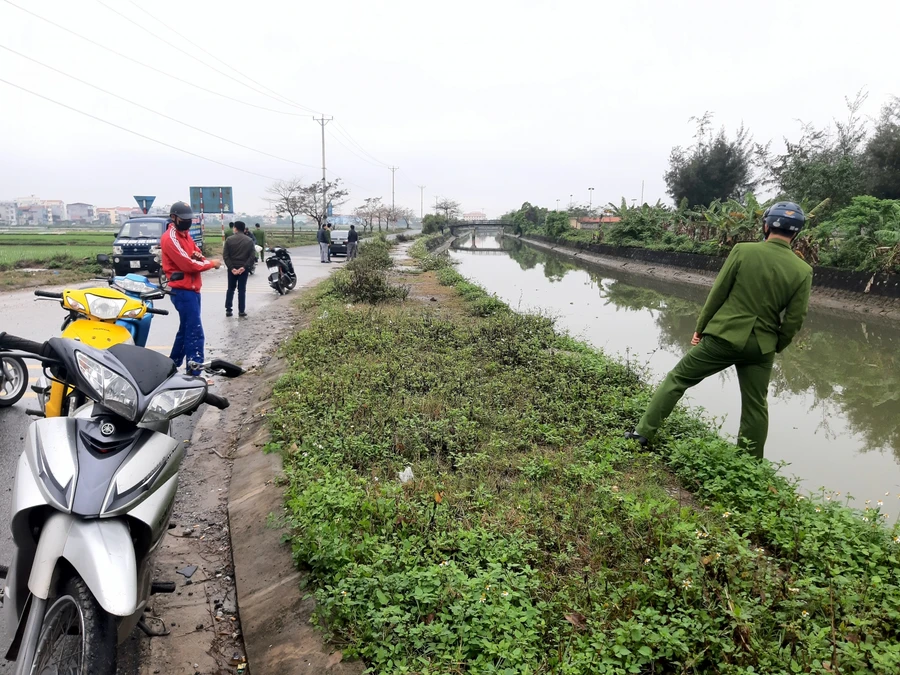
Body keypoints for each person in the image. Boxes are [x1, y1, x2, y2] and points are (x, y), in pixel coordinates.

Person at [625, 202, 813, 459]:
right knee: (755, 406)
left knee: (678, 379)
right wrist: (774, 345)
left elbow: (718, 293)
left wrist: (701, 329)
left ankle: (642, 434)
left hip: (724, 337)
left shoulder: (743, 251)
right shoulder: (803, 270)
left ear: (766, 225)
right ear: (796, 233)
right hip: (762, 347)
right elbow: (795, 318)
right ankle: (750, 463)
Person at [160, 201, 221, 376]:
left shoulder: (186, 235)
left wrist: (201, 257)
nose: (187, 222)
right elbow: (188, 264)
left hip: (193, 289)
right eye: (183, 219)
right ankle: (195, 372)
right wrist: (211, 263)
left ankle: (171, 365)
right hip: (182, 291)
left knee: (186, 329)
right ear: (173, 218)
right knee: (194, 331)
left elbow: (196, 253)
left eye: (189, 219)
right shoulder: (170, 238)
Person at [222, 221, 257, 318]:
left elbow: (225, 256)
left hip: (232, 269)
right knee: (241, 290)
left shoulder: (229, 240)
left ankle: (228, 309)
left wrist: (232, 268)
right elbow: (252, 256)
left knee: (230, 289)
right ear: (244, 229)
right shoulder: (249, 240)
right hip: (243, 269)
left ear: (235, 228)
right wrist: (244, 267)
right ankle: (241, 311)